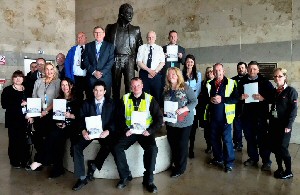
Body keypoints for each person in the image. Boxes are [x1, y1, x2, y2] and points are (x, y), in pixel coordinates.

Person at [113, 77, 163, 193]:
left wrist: (150, 131)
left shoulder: (150, 99)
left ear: (142, 86)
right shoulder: (125, 98)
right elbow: (118, 118)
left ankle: (148, 180)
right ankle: (125, 176)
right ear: (131, 86)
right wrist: (125, 129)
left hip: (145, 132)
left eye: (138, 85)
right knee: (117, 147)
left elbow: (159, 119)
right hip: (130, 131)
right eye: (133, 86)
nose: (136, 88)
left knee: (152, 148)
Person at [72, 80, 116, 191]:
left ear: (105, 91)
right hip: (89, 132)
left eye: (101, 90)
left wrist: (108, 131)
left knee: (109, 145)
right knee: (76, 147)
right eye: (96, 90)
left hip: (103, 132)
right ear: (93, 91)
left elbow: (115, 120)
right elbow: (80, 119)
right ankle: (82, 178)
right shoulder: (86, 103)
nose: (98, 93)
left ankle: (94, 166)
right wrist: (83, 131)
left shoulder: (111, 103)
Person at [203, 63, 239, 172]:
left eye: (220, 70)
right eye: (215, 70)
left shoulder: (232, 83)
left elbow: (236, 98)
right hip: (212, 117)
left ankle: (229, 163)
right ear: (213, 72)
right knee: (214, 140)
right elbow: (203, 98)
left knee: (227, 140)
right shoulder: (209, 84)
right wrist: (209, 99)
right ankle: (218, 158)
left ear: (224, 71)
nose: (218, 72)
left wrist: (222, 99)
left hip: (225, 118)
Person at [239, 61, 274, 171]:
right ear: (247, 70)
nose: (252, 71)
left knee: (262, 139)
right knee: (250, 139)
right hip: (247, 116)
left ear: (258, 70)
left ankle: (266, 161)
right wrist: (240, 97)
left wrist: (263, 98)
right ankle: (253, 158)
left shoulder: (265, 82)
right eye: (250, 69)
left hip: (260, 116)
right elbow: (236, 95)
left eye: (254, 69)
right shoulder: (242, 81)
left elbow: (273, 97)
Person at [163, 67, 197, 177]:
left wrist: (184, 109)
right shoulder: (166, 89)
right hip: (171, 122)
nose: (171, 76)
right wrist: (163, 117)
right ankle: (175, 163)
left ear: (178, 76)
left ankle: (180, 169)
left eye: (174, 74)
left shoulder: (185, 87)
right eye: (170, 74)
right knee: (173, 144)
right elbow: (163, 105)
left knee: (182, 145)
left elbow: (194, 101)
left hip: (184, 122)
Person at [105, 3, 143, 101]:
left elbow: (140, 48)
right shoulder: (110, 28)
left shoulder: (136, 30)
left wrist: (138, 62)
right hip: (114, 59)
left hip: (129, 60)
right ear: (121, 14)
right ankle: (116, 109)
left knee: (130, 87)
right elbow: (105, 46)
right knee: (115, 87)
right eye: (128, 13)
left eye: (131, 13)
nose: (131, 15)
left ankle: (129, 107)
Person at [46, 78, 81, 178]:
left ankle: (79, 173)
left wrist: (71, 116)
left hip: (73, 126)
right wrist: (57, 123)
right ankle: (57, 169)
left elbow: (81, 116)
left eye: (67, 85)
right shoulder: (58, 99)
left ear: (71, 86)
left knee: (74, 145)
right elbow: (53, 115)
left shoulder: (77, 99)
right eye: (63, 85)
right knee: (54, 138)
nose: (65, 87)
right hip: (62, 127)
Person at [28, 62, 61, 171]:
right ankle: (44, 158)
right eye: (47, 69)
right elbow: (34, 97)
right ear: (44, 70)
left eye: (51, 69)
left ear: (54, 70)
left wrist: (46, 110)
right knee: (36, 137)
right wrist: (32, 114)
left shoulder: (58, 82)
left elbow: (57, 99)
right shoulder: (38, 81)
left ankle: (40, 160)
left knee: (48, 137)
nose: (49, 71)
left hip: (50, 113)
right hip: (38, 112)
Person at [269, 68, 298, 179]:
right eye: (275, 76)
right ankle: (280, 168)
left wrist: (289, 125)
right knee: (276, 148)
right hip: (274, 125)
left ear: (285, 77)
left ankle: (289, 171)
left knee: (283, 148)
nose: (277, 78)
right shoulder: (276, 91)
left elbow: (293, 111)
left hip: (284, 126)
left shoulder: (291, 91)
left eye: (280, 76)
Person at [1, 70, 31, 168]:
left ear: (23, 78)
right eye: (16, 77)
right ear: (13, 78)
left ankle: (24, 160)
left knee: (24, 141)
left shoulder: (27, 89)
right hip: (13, 119)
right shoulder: (7, 90)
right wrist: (19, 104)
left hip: (25, 119)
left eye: (20, 77)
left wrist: (31, 115)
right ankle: (14, 161)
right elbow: (4, 105)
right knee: (14, 140)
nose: (18, 79)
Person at [83, 26, 115, 99]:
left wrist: (102, 72)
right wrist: (94, 72)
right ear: (93, 34)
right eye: (96, 33)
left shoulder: (110, 46)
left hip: (105, 77)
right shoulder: (88, 46)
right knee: (90, 99)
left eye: (100, 32)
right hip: (91, 77)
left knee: (106, 100)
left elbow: (111, 61)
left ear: (104, 34)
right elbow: (85, 60)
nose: (98, 34)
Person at [136, 31, 165, 104]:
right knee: (143, 96)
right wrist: (149, 70)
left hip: (156, 74)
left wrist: (154, 71)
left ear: (155, 38)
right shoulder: (141, 48)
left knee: (157, 96)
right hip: (144, 74)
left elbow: (162, 62)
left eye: (152, 37)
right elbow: (139, 61)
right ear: (146, 38)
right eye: (149, 37)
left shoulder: (159, 48)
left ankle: (156, 114)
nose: (150, 39)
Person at [181, 54, 201, 158]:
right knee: (184, 129)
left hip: (193, 104)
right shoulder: (180, 73)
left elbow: (198, 89)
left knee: (192, 129)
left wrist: (192, 99)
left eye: (192, 62)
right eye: (188, 62)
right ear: (185, 63)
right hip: (182, 103)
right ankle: (183, 149)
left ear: (194, 63)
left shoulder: (198, 74)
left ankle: (191, 149)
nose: (189, 64)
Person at [65, 32, 88, 102]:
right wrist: (69, 77)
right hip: (75, 77)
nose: (80, 38)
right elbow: (67, 63)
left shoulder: (90, 49)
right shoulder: (72, 50)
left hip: (88, 77)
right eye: (78, 37)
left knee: (90, 95)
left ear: (86, 38)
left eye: (82, 36)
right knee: (77, 96)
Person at [231, 62, 247, 151]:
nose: (241, 69)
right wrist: (239, 97)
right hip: (237, 108)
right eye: (239, 68)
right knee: (237, 128)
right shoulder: (232, 80)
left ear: (246, 68)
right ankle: (238, 144)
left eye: (242, 68)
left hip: (248, 109)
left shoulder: (250, 79)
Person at [198, 67, 214, 154]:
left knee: (214, 130)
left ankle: (215, 147)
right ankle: (209, 146)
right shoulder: (202, 84)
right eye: (208, 72)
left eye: (211, 71)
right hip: (205, 110)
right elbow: (201, 97)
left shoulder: (218, 83)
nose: (210, 73)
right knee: (207, 131)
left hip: (215, 110)